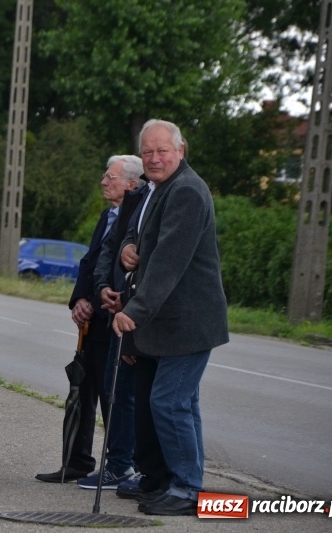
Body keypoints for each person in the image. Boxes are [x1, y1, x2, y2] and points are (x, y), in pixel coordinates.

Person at [113, 119, 229, 516]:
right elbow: (142, 234)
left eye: (163, 150)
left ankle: (187, 489)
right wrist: (129, 244)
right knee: (181, 403)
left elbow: (167, 263)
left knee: (169, 402)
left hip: (187, 321)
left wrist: (135, 312)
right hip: (173, 321)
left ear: (181, 150)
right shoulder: (161, 189)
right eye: (147, 152)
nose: (155, 157)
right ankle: (182, 483)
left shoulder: (186, 192)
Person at [35, 155, 143, 486]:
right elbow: (89, 263)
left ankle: (122, 466)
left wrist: (97, 301)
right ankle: (77, 460)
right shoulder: (107, 216)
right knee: (81, 391)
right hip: (93, 319)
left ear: (132, 184)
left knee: (115, 396)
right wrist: (79, 300)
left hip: (117, 317)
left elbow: (124, 270)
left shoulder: (136, 218)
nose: (103, 182)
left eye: (110, 177)